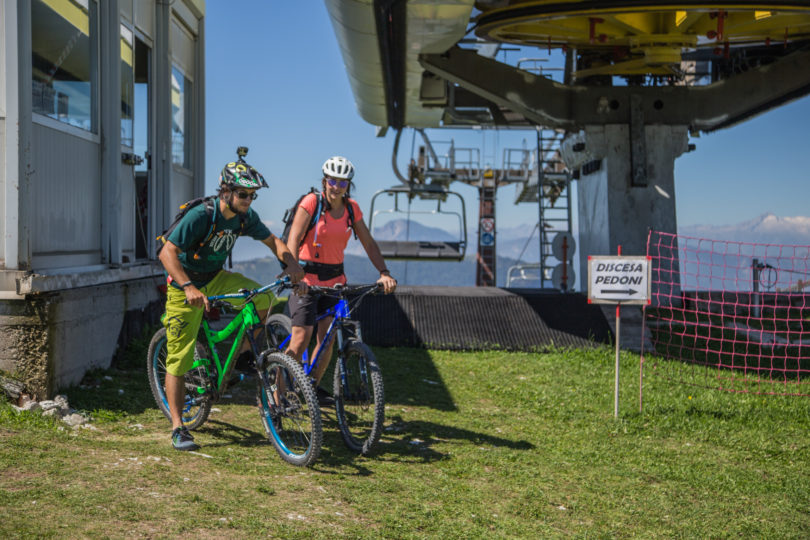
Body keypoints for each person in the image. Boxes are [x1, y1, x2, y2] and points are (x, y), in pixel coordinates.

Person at [158, 151, 305, 451]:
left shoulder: (243, 217)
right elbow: (166, 253)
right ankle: (177, 428)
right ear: (225, 191)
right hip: (183, 283)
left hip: (215, 277)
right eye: (242, 194)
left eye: (252, 196)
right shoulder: (201, 215)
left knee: (263, 297)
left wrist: (292, 266)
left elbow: (274, 241)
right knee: (179, 357)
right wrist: (187, 286)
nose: (248, 200)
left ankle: (241, 356)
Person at [285, 156, 397, 405]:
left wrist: (384, 272)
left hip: (335, 280)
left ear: (348, 186)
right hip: (306, 278)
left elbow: (368, 242)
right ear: (325, 181)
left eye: (342, 183)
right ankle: (276, 395)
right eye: (332, 181)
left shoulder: (351, 209)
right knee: (301, 338)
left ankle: (310, 386)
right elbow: (293, 238)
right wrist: (294, 275)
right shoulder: (312, 203)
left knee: (327, 339)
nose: (336, 187)